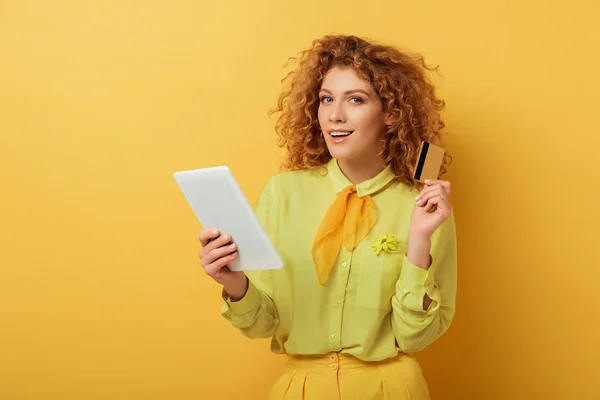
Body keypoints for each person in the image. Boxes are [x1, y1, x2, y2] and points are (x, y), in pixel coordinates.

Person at [198, 34, 457, 399]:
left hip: (390, 389)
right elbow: (262, 324)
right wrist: (234, 282)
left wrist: (418, 241)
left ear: (392, 113)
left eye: (356, 99)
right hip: (302, 388)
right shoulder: (283, 193)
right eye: (326, 99)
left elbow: (415, 334)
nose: (335, 115)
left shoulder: (423, 205)